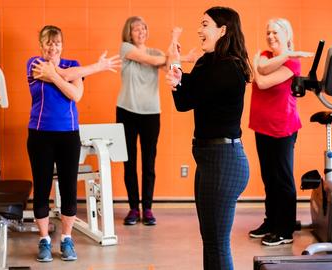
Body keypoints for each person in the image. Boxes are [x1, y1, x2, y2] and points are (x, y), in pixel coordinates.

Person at [166, 6, 251, 270]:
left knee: (217, 242)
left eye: (205, 24)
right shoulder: (208, 62)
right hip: (208, 159)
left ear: (222, 30)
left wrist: (179, 73)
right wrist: (179, 78)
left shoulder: (229, 68)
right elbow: (185, 99)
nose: (199, 30)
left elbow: (192, 94)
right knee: (210, 240)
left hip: (224, 161)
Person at [26, 25, 120, 262]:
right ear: (41, 45)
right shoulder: (34, 63)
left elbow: (76, 95)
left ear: (62, 45)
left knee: (68, 187)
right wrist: (94, 68)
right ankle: (44, 239)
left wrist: (56, 75)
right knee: (42, 185)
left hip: (68, 134)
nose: (52, 46)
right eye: (48, 42)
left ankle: (67, 238)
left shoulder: (72, 64)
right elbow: (66, 81)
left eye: (57, 42)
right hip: (40, 134)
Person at [117, 16, 197, 226]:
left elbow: (170, 66)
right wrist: (178, 56)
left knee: (149, 162)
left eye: (144, 28)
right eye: (136, 29)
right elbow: (156, 61)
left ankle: (148, 209)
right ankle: (134, 208)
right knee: (130, 162)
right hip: (126, 111)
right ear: (129, 33)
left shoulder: (155, 52)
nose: (141, 32)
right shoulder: (126, 48)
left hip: (151, 114)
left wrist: (174, 44)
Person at [248, 18, 313, 246]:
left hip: (282, 127)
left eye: (275, 32)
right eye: (268, 32)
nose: (271, 36)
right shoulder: (266, 55)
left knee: (282, 179)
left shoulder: (293, 62)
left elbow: (263, 82)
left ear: (287, 35)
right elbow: (263, 70)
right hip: (262, 125)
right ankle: (271, 221)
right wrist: (259, 66)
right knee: (269, 178)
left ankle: (284, 229)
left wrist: (256, 66)